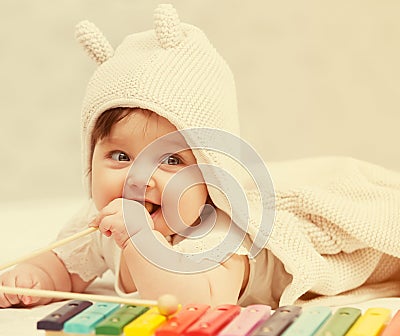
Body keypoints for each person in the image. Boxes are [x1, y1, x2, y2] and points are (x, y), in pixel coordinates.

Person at [1, 4, 400, 309]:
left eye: (171, 161)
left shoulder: (214, 231)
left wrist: (141, 241)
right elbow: (64, 265)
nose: (140, 178)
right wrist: (32, 276)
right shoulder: (101, 221)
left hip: (325, 251)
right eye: (120, 156)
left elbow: (199, 302)